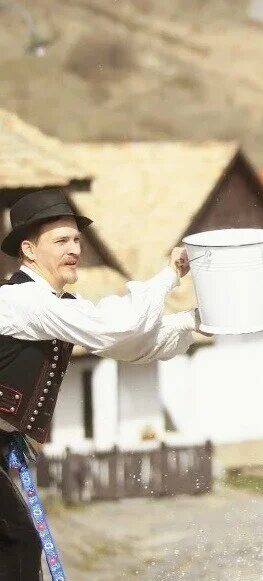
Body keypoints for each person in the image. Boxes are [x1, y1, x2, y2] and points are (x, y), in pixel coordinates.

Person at [0, 188, 201, 580]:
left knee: (18, 546)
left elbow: (129, 345)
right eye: (60, 240)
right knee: (19, 541)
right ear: (28, 249)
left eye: (76, 239)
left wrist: (196, 320)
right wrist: (169, 276)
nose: (74, 248)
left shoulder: (61, 307)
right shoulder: (21, 302)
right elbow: (117, 325)